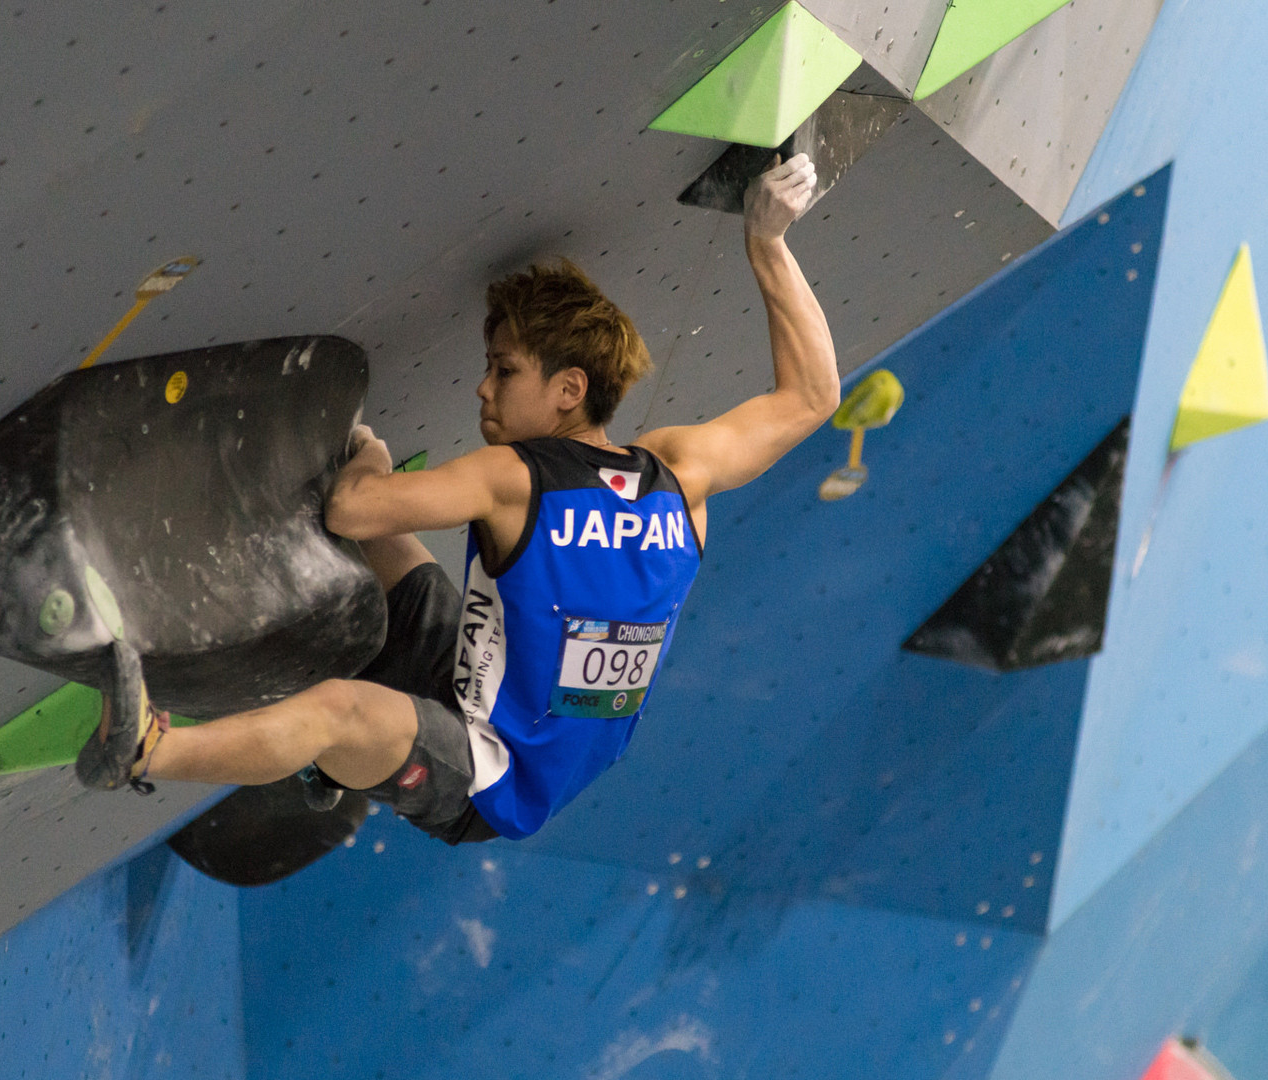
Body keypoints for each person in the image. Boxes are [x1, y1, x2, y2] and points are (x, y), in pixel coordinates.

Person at [76, 153, 838, 845]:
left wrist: (363, 454)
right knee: (403, 562)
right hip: (487, 683)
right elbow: (810, 396)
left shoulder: (513, 476)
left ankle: (147, 748)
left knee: (344, 704)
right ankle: (337, 764)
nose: (482, 386)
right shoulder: (680, 473)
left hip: (491, 777)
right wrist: (768, 244)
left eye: (504, 370)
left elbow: (351, 511)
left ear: (568, 390)